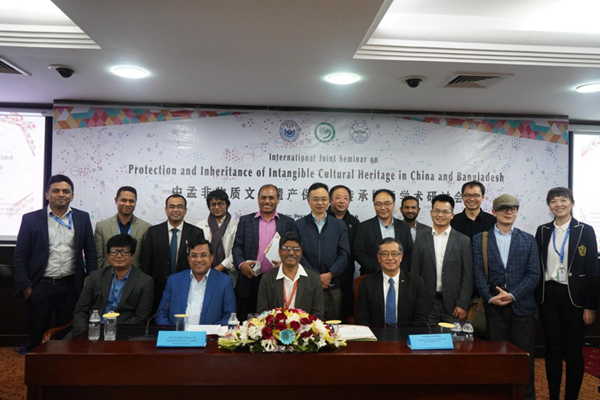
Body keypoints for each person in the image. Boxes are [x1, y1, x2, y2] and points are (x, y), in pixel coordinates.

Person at [13, 174, 97, 349]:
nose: (61, 194)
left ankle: (64, 366)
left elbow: (90, 252)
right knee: (37, 334)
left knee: (67, 335)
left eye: (66, 191)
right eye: (56, 191)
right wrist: (27, 288)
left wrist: (88, 279)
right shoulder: (31, 219)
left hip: (71, 287)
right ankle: (37, 366)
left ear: (72, 196)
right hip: (40, 286)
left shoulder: (82, 218)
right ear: (47, 194)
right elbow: (20, 257)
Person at [473, 194, 540, 400]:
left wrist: (512, 295)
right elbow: (478, 273)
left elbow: (534, 274)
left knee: (524, 360)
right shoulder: (480, 239)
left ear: (517, 212)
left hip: (523, 309)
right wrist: (489, 298)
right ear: (493, 212)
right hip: (494, 309)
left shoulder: (528, 239)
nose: (508, 212)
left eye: (513, 208)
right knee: (497, 359)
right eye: (503, 208)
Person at [535, 187, 599, 400]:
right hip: (548, 296)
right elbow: (536, 266)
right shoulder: (542, 231)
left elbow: (592, 270)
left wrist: (590, 306)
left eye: (563, 200)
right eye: (553, 201)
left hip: (575, 297)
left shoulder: (585, 230)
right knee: (552, 349)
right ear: (549, 206)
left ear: (571, 203)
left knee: (573, 351)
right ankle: (553, 396)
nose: (558, 204)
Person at [232, 184, 296, 320]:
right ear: (258, 199)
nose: (267, 201)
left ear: (278, 200)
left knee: (276, 322)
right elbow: (237, 247)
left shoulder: (288, 223)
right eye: (263, 197)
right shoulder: (245, 221)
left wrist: (285, 265)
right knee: (248, 323)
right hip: (249, 279)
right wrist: (241, 264)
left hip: (277, 280)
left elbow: (293, 250)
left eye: (271, 198)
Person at [72, 234, 154, 336]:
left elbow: (141, 318)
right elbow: (81, 310)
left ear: (132, 256)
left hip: (124, 333)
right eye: (114, 251)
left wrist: (111, 331)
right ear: (108, 256)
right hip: (92, 330)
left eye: (124, 252)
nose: (119, 256)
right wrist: (83, 333)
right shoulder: (95, 276)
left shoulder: (145, 281)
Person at [411, 194, 473, 324]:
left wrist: (463, 303)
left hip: (454, 304)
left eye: (445, 212)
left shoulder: (463, 241)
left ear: (452, 215)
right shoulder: (421, 239)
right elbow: (415, 273)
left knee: (453, 337)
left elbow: (468, 276)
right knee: (427, 335)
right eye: (437, 211)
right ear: (431, 213)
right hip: (427, 304)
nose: (440, 215)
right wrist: (416, 302)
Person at [296, 182, 350, 321]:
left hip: (332, 284)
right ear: (308, 201)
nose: (320, 203)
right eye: (315, 199)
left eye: (323, 199)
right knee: (306, 325)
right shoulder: (298, 225)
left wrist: (330, 274)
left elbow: (344, 253)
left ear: (329, 201)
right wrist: (315, 276)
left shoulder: (339, 225)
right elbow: (298, 254)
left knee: (332, 326)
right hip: (306, 285)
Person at [140, 194, 205, 310]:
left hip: (187, 286)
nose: (175, 210)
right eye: (172, 206)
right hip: (158, 288)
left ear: (185, 210)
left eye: (180, 207)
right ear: (166, 209)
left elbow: (199, 262)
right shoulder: (153, 232)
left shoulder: (196, 232)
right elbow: (146, 263)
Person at [156, 238, 235, 326]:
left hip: (209, 334)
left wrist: (210, 331)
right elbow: (161, 314)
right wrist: (174, 332)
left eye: (204, 255)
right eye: (194, 256)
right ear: (189, 259)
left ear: (211, 258)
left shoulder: (224, 282)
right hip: (177, 333)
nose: (198, 260)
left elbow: (229, 316)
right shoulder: (174, 280)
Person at [356, 238, 428, 327]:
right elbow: (362, 319)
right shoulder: (368, 283)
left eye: (394, 254)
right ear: (378, 258)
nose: (390, 258)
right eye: (385, 254)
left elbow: (421, 319)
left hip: (406, 333)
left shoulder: (415, 282)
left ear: (401, 256)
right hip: (376, 334)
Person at [257, 231, 324, 319]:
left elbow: (318, 314)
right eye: (286, 249)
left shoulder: (314, 279)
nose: (291, 253)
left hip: (305, 327)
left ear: (301, 252)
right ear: (279, 252)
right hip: (275, 327)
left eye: (296, 249)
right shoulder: (267, 279)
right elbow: (262, 314)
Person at [355, 189, 413, 274]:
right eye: (379, 204)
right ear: (374, 206)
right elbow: (358, 252)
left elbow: (409, 252)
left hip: (399, 275)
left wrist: (397, 270)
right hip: (371, 275)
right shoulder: (364, 227)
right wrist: (380, 269)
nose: (383, 207)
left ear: (393, 204)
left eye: (387, 204)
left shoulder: (404, 227)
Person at [94, 186, 151, 269]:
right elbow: (98, 258)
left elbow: (146, 259)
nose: (127, 204)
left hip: (135, 275)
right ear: (116, 200)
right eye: (124, 200)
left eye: (131, 201)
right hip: (108, 275)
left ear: (135, 203)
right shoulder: (101, 226)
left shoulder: (146, 228)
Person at [327, 184, 360, 323]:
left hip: (346, 278)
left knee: (344, 317)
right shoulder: (323, 219)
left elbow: (356, 250)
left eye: (345, 198)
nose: (342, 201)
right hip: (325, 276)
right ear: (330, 200)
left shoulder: (355, 223)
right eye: (338, 197)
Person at [197, 189, 239, 287]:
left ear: (227, 205)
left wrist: (221, 266)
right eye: (213, 204)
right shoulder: (200, 226)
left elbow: (237, 250)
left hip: (229, 272)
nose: (216, 207)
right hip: (204, 272)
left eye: (220, 204)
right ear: (208, 207)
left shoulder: (236, 225)